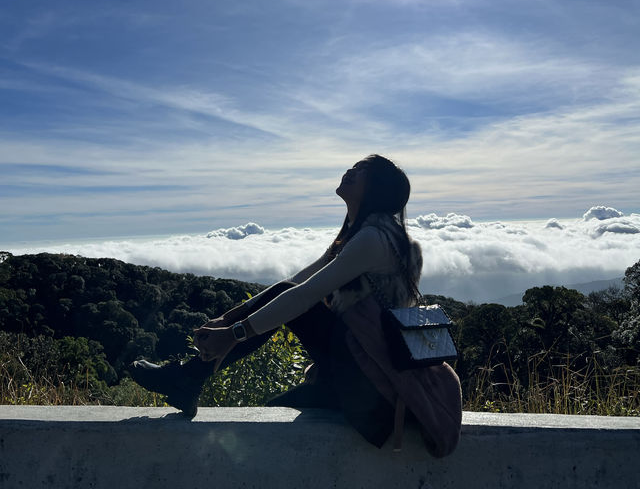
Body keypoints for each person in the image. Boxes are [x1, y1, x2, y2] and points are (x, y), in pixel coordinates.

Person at [131, 154, 461, 454]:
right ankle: (188, 379)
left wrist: (234, 333)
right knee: (272, 414)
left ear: (377, 188)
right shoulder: (367, 236)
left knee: (293, 304)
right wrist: (228, 318)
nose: (351, 170)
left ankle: (188, 377)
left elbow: (302, 295)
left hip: (371, 386)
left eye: (362, 170)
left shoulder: (373, 239)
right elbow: (297, 281)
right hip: (352, 380)